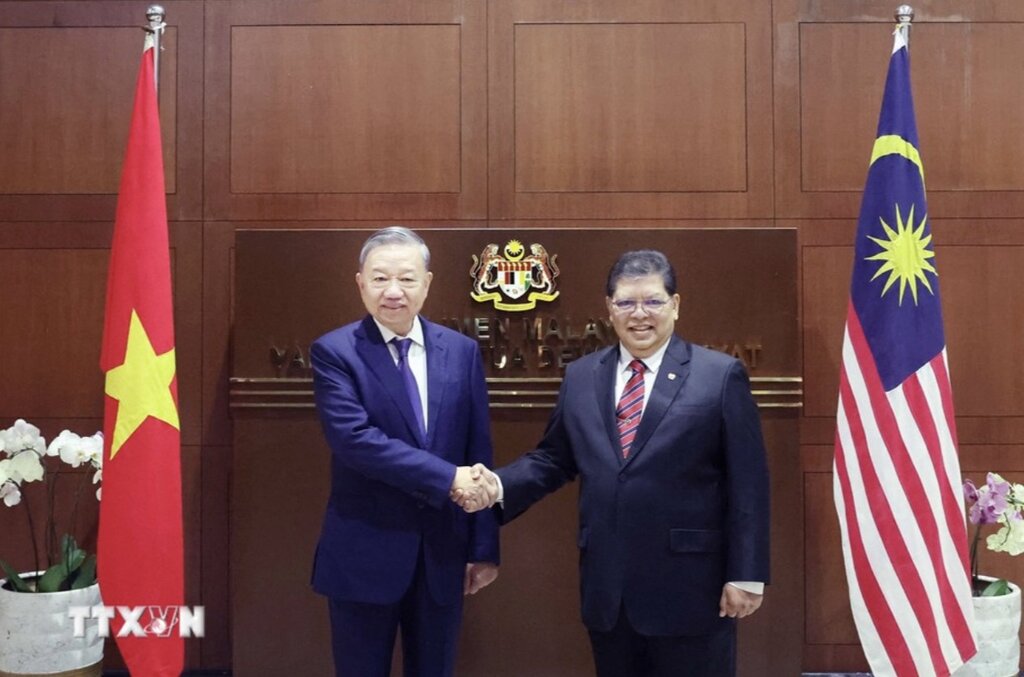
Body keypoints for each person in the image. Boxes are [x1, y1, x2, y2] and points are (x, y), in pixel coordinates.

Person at [455, 249, 769, 677]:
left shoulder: (720, 375)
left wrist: (747, 575)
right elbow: (553, 458)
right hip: (609, 591)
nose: (640, 314)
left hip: (692, 590)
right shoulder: (582, 376)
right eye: (626, 302)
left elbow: (748, 483)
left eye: (653, 301)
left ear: (675, 305)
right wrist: (497, 486)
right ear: (609, 308)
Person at [310, 226, 499, 677]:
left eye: (407, 278)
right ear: (360, 283)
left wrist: (485, 545)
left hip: (442, 554)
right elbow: (355, 441)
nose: (393, 291)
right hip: (364, 551)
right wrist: (447, 478)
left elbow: (479, 449)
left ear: (428, 283)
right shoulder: (335, 352)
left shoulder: (462, 351)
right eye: (379, 279)